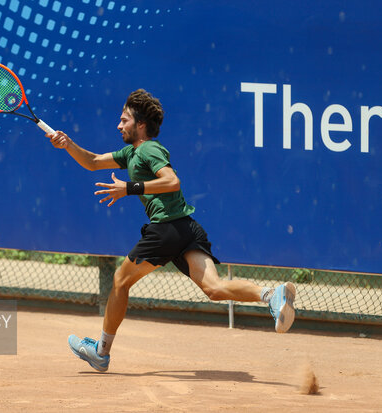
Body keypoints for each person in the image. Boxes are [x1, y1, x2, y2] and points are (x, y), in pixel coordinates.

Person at [47, 89, 296, 372]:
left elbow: (172, 181)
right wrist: (67, 144)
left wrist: (128, 188)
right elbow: (92, 162)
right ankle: (271, 295)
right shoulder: (131, 153)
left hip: (166, 228)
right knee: (214, 289)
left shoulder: (148, 149)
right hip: (187, 228)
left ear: (140, 125)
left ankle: (101, 352)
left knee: (120, 281)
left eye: (124, 120)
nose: (119, 126)